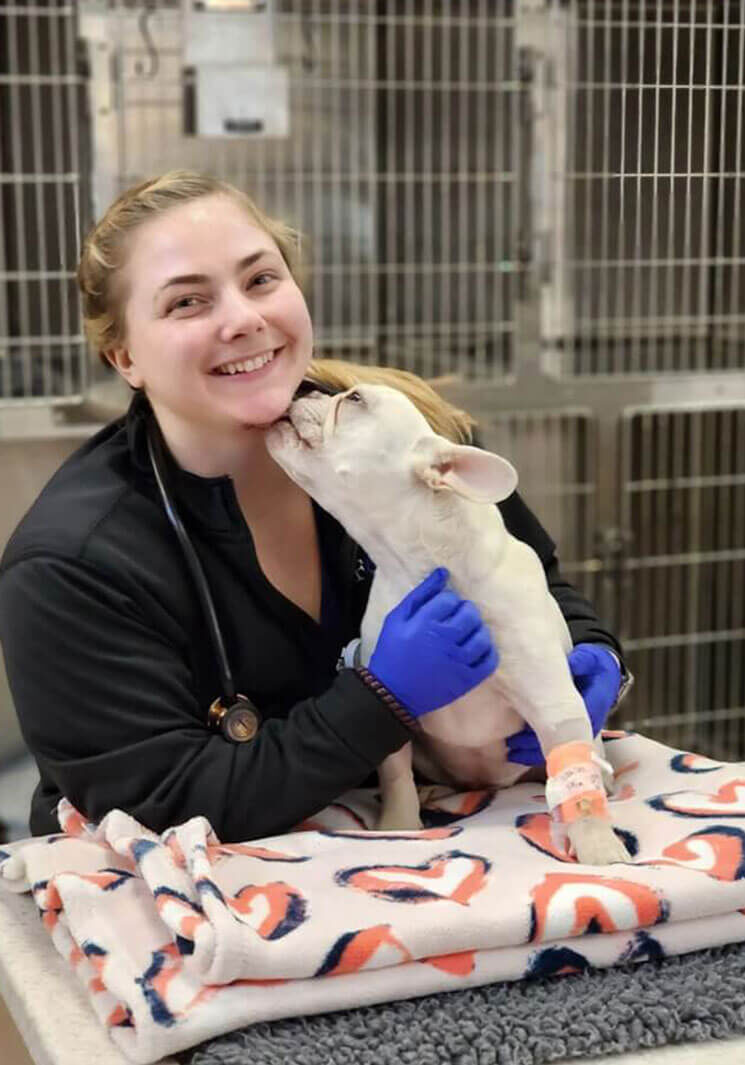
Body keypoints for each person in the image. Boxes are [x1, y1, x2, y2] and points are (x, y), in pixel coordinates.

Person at [0, 172, 628, 843]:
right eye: (187, 302)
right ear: (124, 355)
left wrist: (593, 655)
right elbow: (163, 797)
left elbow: (537, 584)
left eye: (261, 279)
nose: (244, 319)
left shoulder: (399, 432)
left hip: (431, 844)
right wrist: (379, 699)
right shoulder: (72, 563)